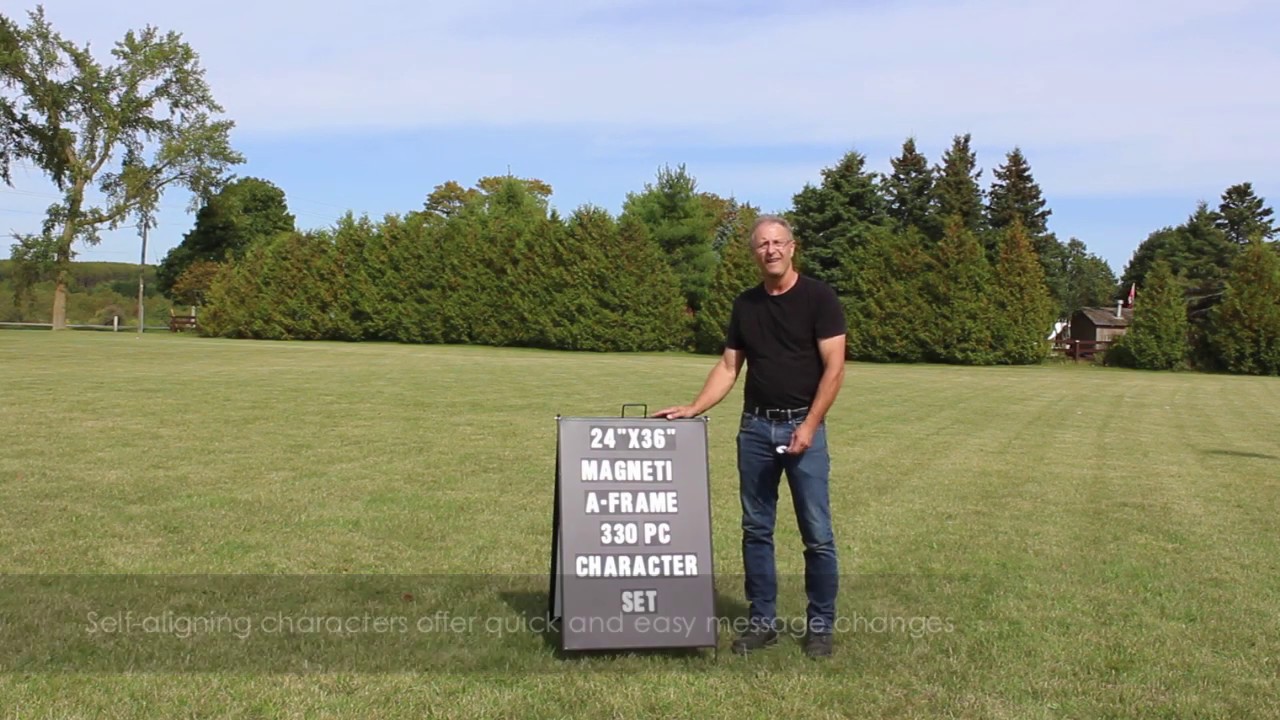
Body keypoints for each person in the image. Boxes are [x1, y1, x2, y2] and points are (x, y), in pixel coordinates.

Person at [654, 215, 846, 659]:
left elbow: (834, 368)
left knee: (816, 533)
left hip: (804, 426)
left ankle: (820, 627)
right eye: (763, 244)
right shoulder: (746, 305)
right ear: (753, 252)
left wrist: (811, 425)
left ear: (793, 247)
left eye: (779, 242)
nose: (771, 250)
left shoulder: (819, 297)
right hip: (755, 429)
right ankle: (763, 621)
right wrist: (693, 407)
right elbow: (728, 367)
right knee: (756, 529)